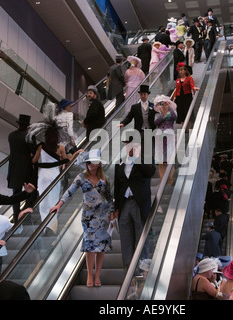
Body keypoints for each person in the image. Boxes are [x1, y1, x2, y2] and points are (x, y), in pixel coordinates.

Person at [51, 149, 114, 287]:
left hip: (103, 216)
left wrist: (112, 214)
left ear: (98, 164)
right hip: (88, 217)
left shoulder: (105, 179)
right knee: (90, 246)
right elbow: (69, 191)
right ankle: (90, 276)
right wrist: (59, 204)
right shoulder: (81, 177)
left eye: (94, 162)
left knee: (101, 247)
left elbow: (109, 198)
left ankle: (97, 275)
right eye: (89, 162)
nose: (91, 165)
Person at [28, 117, 83, 236]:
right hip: (54, 176)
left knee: (43, 202)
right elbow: (66, 162)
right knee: (53, 202)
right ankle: (52, 228)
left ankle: (44, 226)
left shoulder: (41, 147)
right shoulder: (60, 148)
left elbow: (34, 161)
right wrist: (74, 155)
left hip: (42, 176)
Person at [114, 139, 156, 270]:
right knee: (125, 238)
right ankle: (128, 269)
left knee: (141, 236)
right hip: (125, 203)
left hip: (139, 203)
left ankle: (142, 268)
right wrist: (116, 208)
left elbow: (150, 172)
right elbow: (117, 186)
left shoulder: (145, 160)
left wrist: (138, 158)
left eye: (132, 145)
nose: (129, 148)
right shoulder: (120, 162)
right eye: (127, 145)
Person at [7, 113, 36, 224]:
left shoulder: (11, 135)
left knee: (16, 194)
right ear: (28, 126)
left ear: (18, 124)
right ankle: (26, 213)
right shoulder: (29, 136)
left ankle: (15, 217)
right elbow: (33, 151)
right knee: (30, 191)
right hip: (26, 167)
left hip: (14, 167)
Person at [154, 95, 177, 184]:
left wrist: (169, 109)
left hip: (169, 135)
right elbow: (156, 122)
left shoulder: (172, 112)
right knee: (160, 161)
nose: (162, 105)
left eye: (164, 103)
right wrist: (163, 115)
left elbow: (175, 118)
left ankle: (170, 180)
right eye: (160, 104)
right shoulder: (157, 114)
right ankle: (162, 180)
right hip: (159, 136)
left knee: (170, 159)